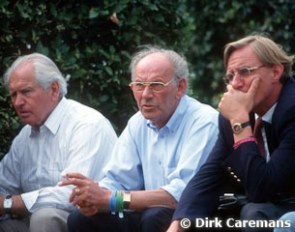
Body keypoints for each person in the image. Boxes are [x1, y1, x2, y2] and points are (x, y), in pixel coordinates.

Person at [59, 46, 219, 232]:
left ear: (180, 87)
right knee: (82, 219)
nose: (145, 95)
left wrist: (111, 199)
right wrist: (92, 196)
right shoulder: (137, 123)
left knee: (156, 215)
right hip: (149, 213)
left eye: (156, 85)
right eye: (139, 85)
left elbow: (181, 195)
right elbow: (117, 180)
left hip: (197, 218)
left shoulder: (204, 121)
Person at [167, 33, 295, 232]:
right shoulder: (235, 115)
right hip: (269, 204)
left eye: (245, 72)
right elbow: (209, 176)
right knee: (207, 216)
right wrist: (178, 226)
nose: (235, 84)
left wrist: (239, 123)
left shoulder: (291, 108)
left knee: (254, 216)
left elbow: (263, 188)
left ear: (276, 72)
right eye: (230, 76)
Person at [0, 53, 118, 232]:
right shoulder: (25, 136)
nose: (17, 102)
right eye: (13, 94)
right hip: (36, 223)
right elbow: (4, 184)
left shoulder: (87, 124)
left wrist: (9, 203)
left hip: (91, 222)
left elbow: (71, 196)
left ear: (54, 89)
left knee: (45, 217)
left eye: (25, 91)